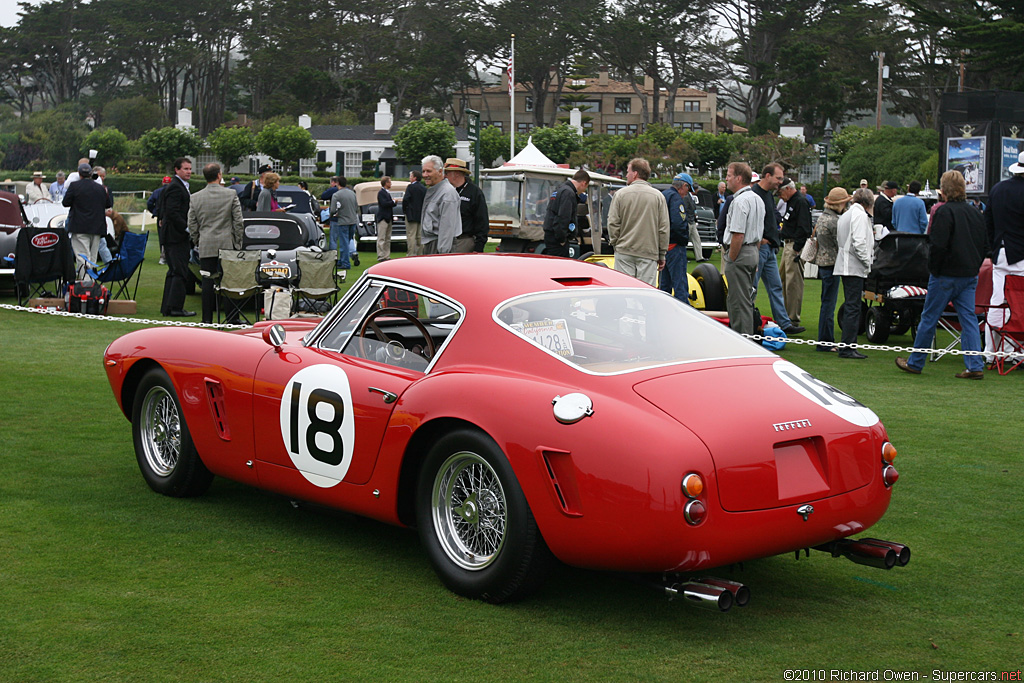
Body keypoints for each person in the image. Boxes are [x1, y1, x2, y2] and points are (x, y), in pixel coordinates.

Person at [896, 171, 988, 379]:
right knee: (969, 319)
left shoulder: (944, 212)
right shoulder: (975, 212)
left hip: (945, 274)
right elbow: (984, 245)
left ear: (944, 190)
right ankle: (974, 365)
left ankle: (916, 361)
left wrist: (934, 269)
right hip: (968, 274)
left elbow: (936, 246)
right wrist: (974, 266)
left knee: (929, 317)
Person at [187, 163, 244, 324]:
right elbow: (238, 222)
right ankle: (232, 317)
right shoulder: (231, 194)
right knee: (229, 282)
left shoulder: (195, 197)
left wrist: (198, 239)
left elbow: (192, 223)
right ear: (219, 175)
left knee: (207, 282)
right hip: (227, 244)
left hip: (206, 243)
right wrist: (238, 243)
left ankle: (207, 319)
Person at [751, 163, 804, 335]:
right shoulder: (755, 195)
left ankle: (784, 323)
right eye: (778, 178)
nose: (780, 183)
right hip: (761, 248)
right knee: (752, 287)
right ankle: (749, 321)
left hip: (770, 248)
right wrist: (759, 241)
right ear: (767, 176)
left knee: (775, 287)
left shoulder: (766, 195)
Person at [983, 150, 1024, 361]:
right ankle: (1013, 352)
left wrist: (993, 247)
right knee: (1017, 303)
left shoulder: (998, 189)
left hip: (1001, 252)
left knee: (997, 300)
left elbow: (987, 222)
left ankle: (992, 351)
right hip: (1020, 254)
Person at [607, 158, 669, 287]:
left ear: (635, 173)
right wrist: (662, 253)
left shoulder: (620, 194)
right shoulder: (658, 196)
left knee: (624, 290)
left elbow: (613, 222)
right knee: (646, 293)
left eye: (628, 171)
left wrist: (615, 242)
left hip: (624, 250)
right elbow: (663, 228)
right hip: (648, 252)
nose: (626, 175)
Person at [722, 162, 764, 335]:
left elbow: (738, 234)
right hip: (753, 251)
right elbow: (759, 234)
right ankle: (745, 337)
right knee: (745, 299)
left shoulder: (739, 201)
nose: (726, 179)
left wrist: (731, 258)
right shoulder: (757, 199)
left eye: (729, 175)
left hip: (739, 252)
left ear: (739, 178)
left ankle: (742, 340)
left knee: (738, 302)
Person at [834, 188, 875, 359]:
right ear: (868, 203)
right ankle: (848, 347)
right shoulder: (859, 216)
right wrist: (867, 262)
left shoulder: (847, 214)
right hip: (853, 266)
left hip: (847, 264)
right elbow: (859, 242)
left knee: (852, 305)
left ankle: (848, 345)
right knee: (853, 306)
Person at [812, 187, 850, 351]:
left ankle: (825, 340)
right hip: (832, 265)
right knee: (829, 304)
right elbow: (841, 243)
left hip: (823, 263)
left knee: (826, 302)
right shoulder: (834, 221)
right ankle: (826, 341)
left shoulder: (823, 217)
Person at [62, 162, 112, 282]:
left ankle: (86, 285)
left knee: (82, 257)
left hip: (80, 226)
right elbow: (108, 204)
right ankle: (91, 283)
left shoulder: (74, 186)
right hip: (97, 227)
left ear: (79, 174)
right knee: (92, 258)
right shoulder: (100, 188)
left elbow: (65, 203)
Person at [158, 157, 194, 317]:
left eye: (190, 169)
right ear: (177, 170)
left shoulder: (180, 186)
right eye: (185, 169)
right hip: (175, 236)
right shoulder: (175, 187)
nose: (189, 172)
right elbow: (172, 212)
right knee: (179, 272)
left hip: (174, 236)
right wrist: (186, 228)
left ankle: (168, 306)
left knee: (174, 272)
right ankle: (175, 308)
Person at [778, 178, 813, 325]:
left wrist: (797, 248)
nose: (780, 196)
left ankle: (792, 318)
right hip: (788, 244)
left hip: (794, 246)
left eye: (780, 192)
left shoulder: (800, 202)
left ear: (787, 189)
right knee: (783, 280)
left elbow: (805, 227)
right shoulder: (791, 202)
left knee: (793, 283)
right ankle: (785, 315)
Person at [442, 158, 489, 253]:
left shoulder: (474, 192)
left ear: (457, 174)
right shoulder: (445, 191)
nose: (444, 176)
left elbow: (482, 221)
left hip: (464, 241)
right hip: (445, 240)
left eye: (447, 173)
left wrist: (478, 247)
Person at [542, 169, 590, 258]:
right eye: (586, 187)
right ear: (584, 183)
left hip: (551, 235)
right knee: (559, 267)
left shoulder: (561, 189)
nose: (584, 190)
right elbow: (563, 217)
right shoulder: (568, 193)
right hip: (557, 239)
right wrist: (562, 239)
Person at [660, 172, 692, 303]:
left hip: (663, 248)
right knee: (680, 287)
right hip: (675, 247)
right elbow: (679, 224)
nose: (687, 193)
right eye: (688, 189)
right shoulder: (676, 198)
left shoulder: (663, 195)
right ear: (684, 186)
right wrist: (684, 240)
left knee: (664, 287)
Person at [419, 155, 460, 255]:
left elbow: (447, 227)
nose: (425, 175)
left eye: (429, 171)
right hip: (431, 243)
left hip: (439, 245)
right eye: (423, 171)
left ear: (440, 171)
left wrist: (442, 254)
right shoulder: (434, 190)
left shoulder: (447, 193)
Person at [330, 177, 359, 274]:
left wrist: (332, 215)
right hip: (353, 221)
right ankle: (343, 260)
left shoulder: (336, 195)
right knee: (348, 241)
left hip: (343, 221)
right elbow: (356, 207)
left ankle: (345, 263)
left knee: (343, 243)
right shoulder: (352, 193)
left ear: (337, 183)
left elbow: (333, 210)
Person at [403, 170, 426, 257]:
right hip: (421, 214)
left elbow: (406, 200)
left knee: (411, 235)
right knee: (419, 236)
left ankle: (411, 254)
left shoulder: (410, 187)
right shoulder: (423, 188)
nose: (410, 178)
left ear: (415, 178)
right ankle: (420, 253)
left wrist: (405, 210)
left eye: (411, 176)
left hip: (411, 214)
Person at [682, 182, 705, 262]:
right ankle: (683, 258)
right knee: (684, 241)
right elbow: (685, 209)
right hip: (688, 221)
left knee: (697, 239)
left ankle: (699, 257)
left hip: (692, 222)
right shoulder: (686, 197)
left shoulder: (691, 197)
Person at [375, 176, 396, 261]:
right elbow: (384, 204)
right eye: (389, 182)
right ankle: (380, 255)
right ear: (386, 183)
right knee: (381, 237)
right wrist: (393, 202)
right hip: (383, 218)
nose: (391, 184)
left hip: (388, 217)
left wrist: (393, 203)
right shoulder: (381, 193)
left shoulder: (387, 192)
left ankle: (387, 255)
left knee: (388, 238)